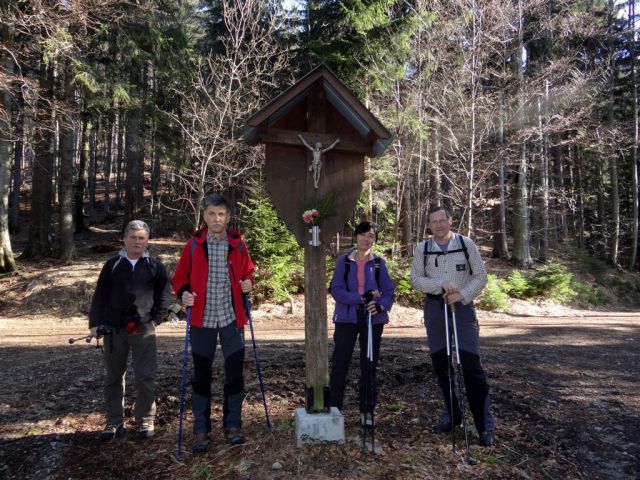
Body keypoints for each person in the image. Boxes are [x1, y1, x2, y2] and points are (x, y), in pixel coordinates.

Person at [172, 193, 254, 454]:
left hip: (231, 318)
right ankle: (201, 429)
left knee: (234, 375)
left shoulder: (238, 245)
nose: (217, 219)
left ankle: (233, 426)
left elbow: (248, 271)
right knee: (201, 375)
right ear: (204, 215)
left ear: (228, 217)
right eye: (211, 214)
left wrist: (249, 282)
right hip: (202, 319)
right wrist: (183, 292)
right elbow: (179, 278)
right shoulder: (194, 245)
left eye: (221, 214)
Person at [410, 206, 496, 447]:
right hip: (435, 309)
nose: (438, 225)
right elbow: (415, 279)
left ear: (450, 221)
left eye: (442, 220)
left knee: (471, 366)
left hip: (463, 308)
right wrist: (440, 284)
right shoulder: (423, 249)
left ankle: (484, 426)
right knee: (441, 365)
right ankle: (452, 415)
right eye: (433, 222)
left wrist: (463, 294)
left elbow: (480, 275)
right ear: (428, 225)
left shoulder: (465, 244)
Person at [89, 220, 172, 442]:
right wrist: (95, 324)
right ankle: (114, 421)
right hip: (114, 329)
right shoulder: (113, 265)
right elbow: (100, 296)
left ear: (147, 241)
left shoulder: (155, 266)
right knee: (113, 377)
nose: (137, 241)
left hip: (144, 328)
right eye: (133, 237)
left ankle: (145, 419)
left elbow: (165, 295)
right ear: (124, 239)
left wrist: (155, 320)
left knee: (145, 375)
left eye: (141, 238)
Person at [329, 221, 395, 428]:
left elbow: (389, 293)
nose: (367, 239)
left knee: (369, 365)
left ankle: (367, 410)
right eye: (364, 235)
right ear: (356, 236)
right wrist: (360, 298)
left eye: (371, 236)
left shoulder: (378, 264)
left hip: (372, 320)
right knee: (340, 364)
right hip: (347, 318)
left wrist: (380, 305)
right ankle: (334, 409)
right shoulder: (344, 262)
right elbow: (336, 289)